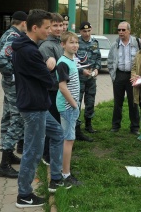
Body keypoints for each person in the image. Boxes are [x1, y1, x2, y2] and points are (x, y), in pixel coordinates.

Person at [12, 10, 68, 208]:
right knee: (33, 151)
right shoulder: (29, 51)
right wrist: (51, 66)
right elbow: (48, 80)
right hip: (34, 107)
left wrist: (45, 68)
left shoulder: (26, 47)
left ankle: (56, 177)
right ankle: (24, 195)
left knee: (57, 133)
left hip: (38, 104)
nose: (49, 31)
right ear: (35, 28)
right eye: (46, 27)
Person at [0, 11, 27, 178]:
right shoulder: (14, 36)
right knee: (18, 118)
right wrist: (11, 75)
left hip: (8, 84)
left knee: (7, 116)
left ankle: (8, 153)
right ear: (24, 23)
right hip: (13, 85)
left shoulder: (7, 34)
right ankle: (4, 163)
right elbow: (0, 59)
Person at [56, 31, 82, 186]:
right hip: (67, 106)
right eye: (71, 42)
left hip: (71, 105)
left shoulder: (71, 60)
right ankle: (65, 174)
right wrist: (74, 104)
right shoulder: (63, 62)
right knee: (68, 139)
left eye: (76, 42)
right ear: (63, 44)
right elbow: (62, 87)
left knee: (68, 138)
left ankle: (65, 169)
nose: (75, 45)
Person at [38, 13, 64, 165]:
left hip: (58, 89)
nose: (58, 28)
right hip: (52, 90)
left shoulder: (58, 43)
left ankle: (51, 152)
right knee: (52, 124)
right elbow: (52, 71)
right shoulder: (47, 45)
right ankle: (46, 154)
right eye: (55, 25)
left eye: (60, 25)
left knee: (57, 122)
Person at [107, 21, 140, 134]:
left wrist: (138, 75)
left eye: (123, 30)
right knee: (117, 102)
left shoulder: (137, 43)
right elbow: (110, 61)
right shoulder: (114, 45)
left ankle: (135, 127)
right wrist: (113, 75)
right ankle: (115, 126)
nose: (120, 32)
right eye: (119, 30)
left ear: (129, 31)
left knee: (133, 102)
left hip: (133, 76)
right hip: (119, 75)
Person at [76, 21, 101, 139]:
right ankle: (76, 127)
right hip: (79, 78)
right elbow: (73, 60)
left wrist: (96, 69)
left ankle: (88, 124)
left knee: (90, 101)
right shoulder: (76, 42)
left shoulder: (95, 42)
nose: (86, 33)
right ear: (80, 31)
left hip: (91, 79)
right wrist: (82, 71)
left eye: (88, 31)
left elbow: (98, 59)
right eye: (84, 31)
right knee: (77, 102)